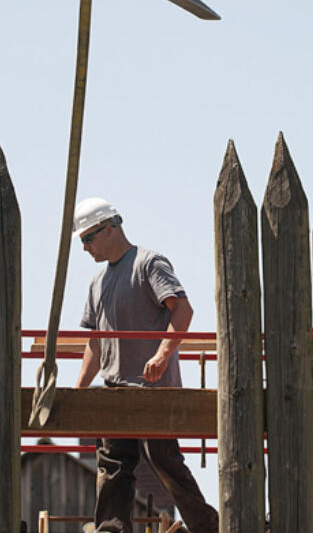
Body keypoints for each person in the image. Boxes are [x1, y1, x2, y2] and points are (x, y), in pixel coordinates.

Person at [73, 197, 219, 533]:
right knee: (113, 463)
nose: (85, 248)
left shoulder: (148, 263)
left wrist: (162, 354)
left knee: (163, 459)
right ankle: (111, 529)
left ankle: (205, 526)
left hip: (153, 388)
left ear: (110, 228)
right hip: (115, 388)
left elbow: (182, 310)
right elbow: (96, 342)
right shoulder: (98, 283)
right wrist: (77, 391)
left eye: (87, 239)